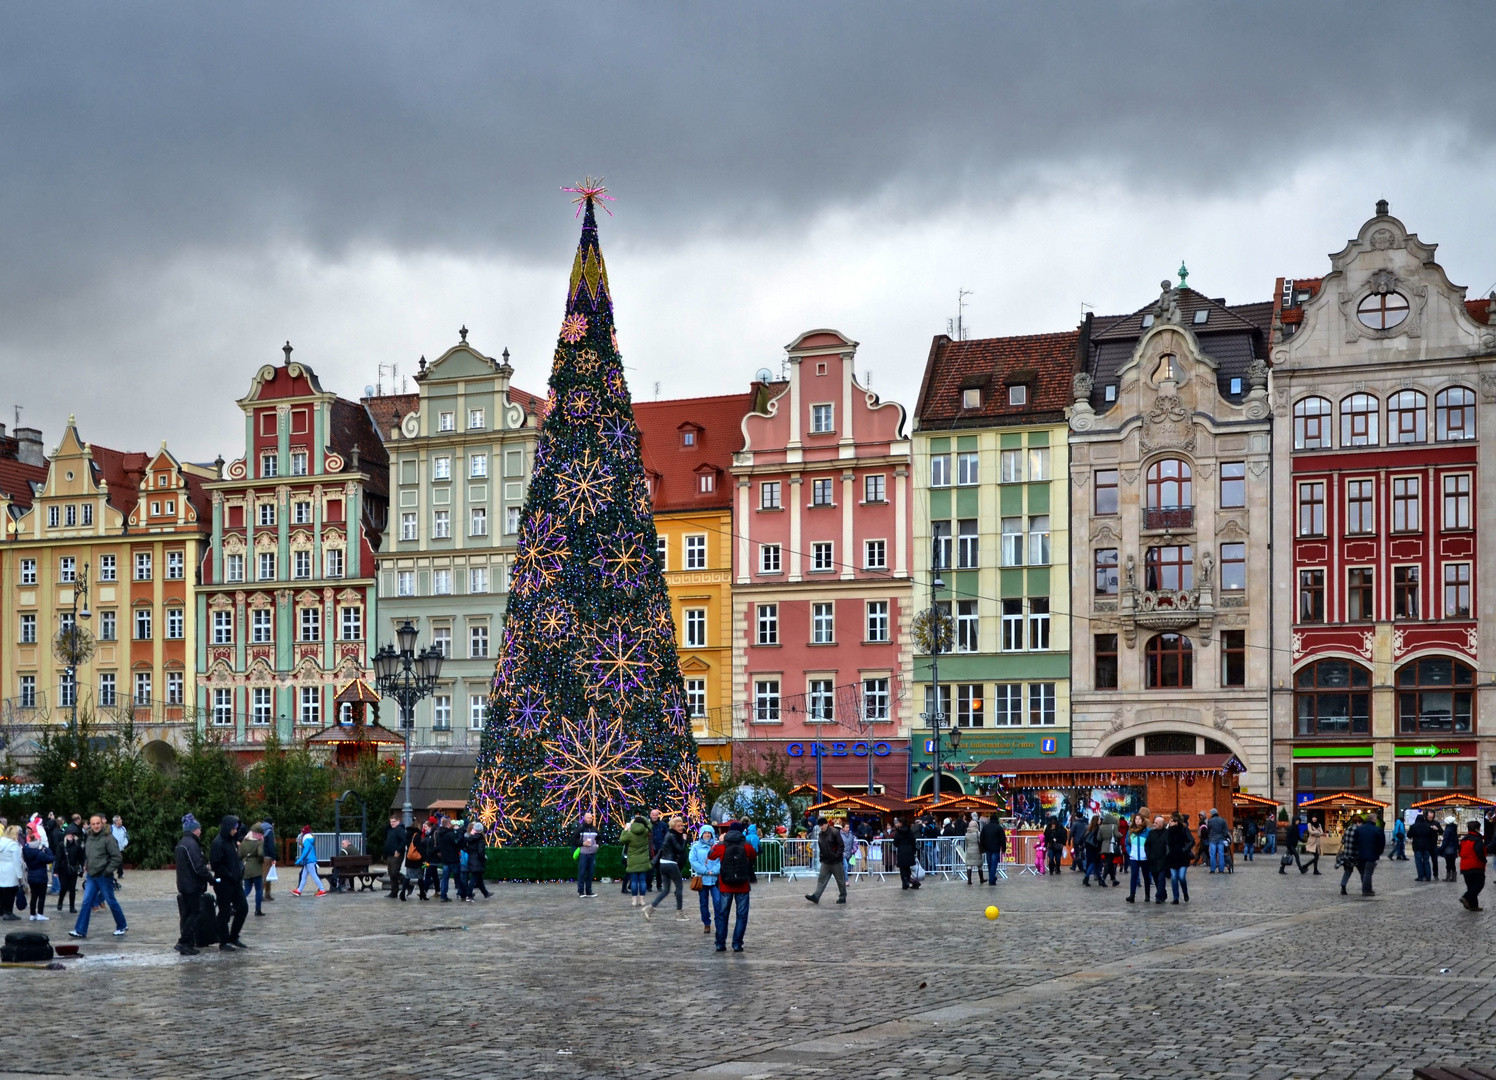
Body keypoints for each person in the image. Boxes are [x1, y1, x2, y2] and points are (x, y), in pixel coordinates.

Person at [68, 814, 126, 939]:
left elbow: (117, 857)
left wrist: (107, 871)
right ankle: (80, 930)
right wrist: (86, 865)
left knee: (111, 901)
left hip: (104, 876)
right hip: (91, 875)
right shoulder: (89, 837)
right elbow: (88, 854)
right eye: (93, 824)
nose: (95, 826)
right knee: (86, 901)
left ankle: (121, 925)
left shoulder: (108, 838)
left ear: (102, 824)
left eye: (97, 823)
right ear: (90, 824)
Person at [709, 821, 757, 952]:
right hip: (742, 885)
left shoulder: (723, 845)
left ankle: (720, 943)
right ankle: (737, 943)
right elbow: (754, 855)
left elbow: (711, 855)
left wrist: (718, 842)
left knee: (722, 914)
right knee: (742, 915)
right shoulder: (746, 845)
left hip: (726, 885)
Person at [209, 815, 249, 950]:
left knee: (243, 908)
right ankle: (224, 941)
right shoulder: (218, 843)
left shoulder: (232, 842)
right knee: (224, 912)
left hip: (235, 882)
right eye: (234, 828)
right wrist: (230, 875)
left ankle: (234, 936)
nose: (236, 830)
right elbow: (216, 865)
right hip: (224, 883)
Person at [172, 815, 211, 955]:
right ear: (194, 829)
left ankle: (186, 943)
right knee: (194, 913)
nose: (201, 830)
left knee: (187, 913)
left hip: (184, 883)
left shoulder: (182, 842)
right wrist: (209, 878)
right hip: (192, 885)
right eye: (199, 828)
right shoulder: (192, 844)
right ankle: (183, 941)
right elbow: (198, 867)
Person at [647, 816, 689, 919]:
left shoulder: (669, 834)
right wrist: (684, 840)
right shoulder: (672, 836)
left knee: (666, 890)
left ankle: (650, 908)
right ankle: (680, 913)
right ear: (673, 827)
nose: (681, 828)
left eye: (681, 826)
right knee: (679, 887)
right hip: (670, 863)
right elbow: (680, 849)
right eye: (678, 826)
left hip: (663, 863)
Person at [805, 817, 847, 905]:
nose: (821, 827)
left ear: (826, 824)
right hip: (826, 861)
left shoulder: (834, 832)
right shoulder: (821, 834)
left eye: (822, 825)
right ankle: (816, 896)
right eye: (820, 826)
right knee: (821, 879)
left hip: (835, 861)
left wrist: (836, 856)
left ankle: (842, 896)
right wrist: (821, 857)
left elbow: (841, 845)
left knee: (840, 880)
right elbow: (821, 846)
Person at [688, 824, 720, 936]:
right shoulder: (696, 847)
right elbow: (693, 860)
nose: (707, 835)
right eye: (705, 833)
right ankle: (706, 923)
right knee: (703, 903)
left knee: (718, 902)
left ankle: (719, 923)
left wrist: (715, 870)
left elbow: (720, 860)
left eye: (709, 833)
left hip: (715, 879)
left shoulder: (716, 846)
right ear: (702, 834)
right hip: (702, 878)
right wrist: (705, 871)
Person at [1345, 813, 1385, 896]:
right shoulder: (1377, 830)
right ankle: (1366, 890)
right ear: (1374, 820)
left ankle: (1367, 889)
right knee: (1368, 872)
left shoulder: (1359, 829)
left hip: (1360, 853)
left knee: (1364, 872)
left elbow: (1355, 841)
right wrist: (1379, 852)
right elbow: (1381, 843)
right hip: (1372, 854)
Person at [620, 814, 653, 906]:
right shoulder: (646, 832)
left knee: (634, 881)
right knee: (642, 881)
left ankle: (634, 900)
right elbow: (650, 825)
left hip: (632, 860)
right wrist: (644, 818)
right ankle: (642, 900)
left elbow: (622, 840)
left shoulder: (630, 834)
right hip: (644, 860)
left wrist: (625, 830)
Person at [23, 828, 52, 921]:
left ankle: (32, 914)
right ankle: (40, 913)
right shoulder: (40, 854)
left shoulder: (26, 851)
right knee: (41, 896)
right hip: (41, 876)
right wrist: (46, 849)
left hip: (31, 876)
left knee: (33, 896)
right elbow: (51, 858)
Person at [1165, 812, 1193, 904]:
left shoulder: (1184, 829)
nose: (1170, 822)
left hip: (1182, 856)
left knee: (1181, 877)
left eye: (1171, 821)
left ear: (1177, 822)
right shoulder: (1168, 831)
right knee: (1174, 878)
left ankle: (1185, 892)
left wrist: (1184, 849)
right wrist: (1167, 852)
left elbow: (1191, 841)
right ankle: (1175, 897)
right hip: (1172, 856)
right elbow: (1166, 843)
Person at [239, 823, 267, 917]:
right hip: (256, 868)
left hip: (246, 867)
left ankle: (236, 905)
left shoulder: (245, 840)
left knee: (247, 889)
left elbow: (240, 855)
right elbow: (261, 854)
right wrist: (260, 861)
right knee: (259, 890)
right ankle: (257, 909)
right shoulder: (259, 841)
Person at [55, 825, 83, 914]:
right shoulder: (61, 845)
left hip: (73, 869)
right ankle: (60, 901)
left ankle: (72, 906)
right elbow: (58, 858)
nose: (70, 836)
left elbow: (81, 858)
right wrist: (56, 870)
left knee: (72, 888)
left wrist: (82, 867)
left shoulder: (77, 846)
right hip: (63, 869)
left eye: (72, 834)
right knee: (63, 887)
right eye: (68, 834)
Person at [1459, 820, 1487, 912]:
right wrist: (1484, 860)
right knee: (1479, 884)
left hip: (1464, 865)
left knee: (1471, 886)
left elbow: (1460, 851)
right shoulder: (1477, 839)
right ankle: (1466, 897)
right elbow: (1479, 852)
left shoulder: (1464, 839)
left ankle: (1473, 905)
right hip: (1476, 865)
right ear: (1477, 829)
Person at [570, 812, 599, 898]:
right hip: (583, 853)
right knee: (582, 873)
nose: (589, 819)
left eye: (590, 818)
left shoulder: (595, 829)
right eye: (588, 818)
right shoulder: (580, 829)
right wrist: (582, 843)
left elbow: (599, 838)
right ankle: (581, 891)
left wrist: (598, 845)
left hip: (592, 853)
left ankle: (589, 891)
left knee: (590, 873)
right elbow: (573, 839)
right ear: (584, 818)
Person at [433, 816, 462, 902]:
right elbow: (456, 844)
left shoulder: (439, 834)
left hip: (445, 859)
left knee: (445, 878)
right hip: (453, 858)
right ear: (448, 824)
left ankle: (443, 895)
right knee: (458, 877)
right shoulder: (450, 834)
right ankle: (462, 892)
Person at [0, 824, 25, 921]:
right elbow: (17, 861)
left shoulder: (1, 842)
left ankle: (2, 909)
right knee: (10, 892)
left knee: (2, 891)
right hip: (11, 870)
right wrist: (20, 875)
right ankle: (8, 912)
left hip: (1, 867)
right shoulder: (14, 845)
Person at [292, 825, 326, 897]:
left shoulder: (306, 840)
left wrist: (300, 859)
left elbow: (306, 851)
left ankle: (322, 890)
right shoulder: (309, 839)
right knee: (304, 876)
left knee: (313, 876)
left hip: (309, 861)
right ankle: (299, 890)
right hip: (309, 861)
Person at [463, 822, 491, 901]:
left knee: (479, 878)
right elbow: (480, 852)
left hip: (471, 859)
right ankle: (468, 894)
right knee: (474, 878)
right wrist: (484, 859)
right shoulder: (480, 839)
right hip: (477, 860)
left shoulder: (470, 838)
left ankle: (485, 893)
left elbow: (465, 848)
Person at [1125, 814, 1150, 903]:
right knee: (1134, 876)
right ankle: (1132, 895)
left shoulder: (1147, 831)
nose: (1137, 820)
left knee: (1146, 877)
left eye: (1139, 819)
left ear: (1143, 820)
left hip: (1145, 858)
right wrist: (1130, 852)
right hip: (1134, 857)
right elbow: (1127, 843)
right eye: (1136, 819)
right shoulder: (1131, 831)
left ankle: (1147, 895)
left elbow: (1150, 844)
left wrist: (1148, 854)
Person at [383, 813, 407, 900]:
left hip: (396, 854)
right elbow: (385, 830)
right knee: (391, 874)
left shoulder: (400, 829)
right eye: (390, 822)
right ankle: (394, 892)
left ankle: (407, 884)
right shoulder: (391, 830)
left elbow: (404, 840)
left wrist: (399, 850)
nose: (392, 823)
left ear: (398, 821)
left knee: (394, 872)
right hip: (389, 854)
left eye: (393, 822)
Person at [403, 820, 429, 900]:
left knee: (408, 877)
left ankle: (402, 893)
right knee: (420, 877)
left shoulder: (407, 835)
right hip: (417, 860)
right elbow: (419, 848)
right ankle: (422, 894)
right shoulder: (417, 835)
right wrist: (425, 857)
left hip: (409, 859)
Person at [891, 816, 919, 890]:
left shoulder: (898, 832)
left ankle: (905, 882)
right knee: (908, 867)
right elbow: (913, 840)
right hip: (909, 851)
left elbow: (895, 842)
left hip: (902, 851)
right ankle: (909, 880)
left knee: (902, 868)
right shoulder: (910, 831)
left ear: (901, 823)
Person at [979, 813, 1007, 887]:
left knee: (990, 864)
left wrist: (983, 846)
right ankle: (992, 879)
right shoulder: (999, 828)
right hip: (996, 848)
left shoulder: (985, 827)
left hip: (988, 848)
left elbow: (981, 838)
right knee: (994, 864)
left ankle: (992, 877)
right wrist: (1003, 848)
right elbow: (1003, 839)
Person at [1410, 813, 1436, 881]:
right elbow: (1431, 835)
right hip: (1426, 846)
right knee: (1426, 861)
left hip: (1417, 846)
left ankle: (1420, 876)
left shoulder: (1413, 826)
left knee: (1418, 861)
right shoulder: (1427, 826)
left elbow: (1409, 835)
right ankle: (1428, 876)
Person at [648, 809, 668, 893]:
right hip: (650, 849)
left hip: (660, 850)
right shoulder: (647, 825)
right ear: (650, 815)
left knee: (660, 869)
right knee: (649, 869)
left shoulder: (663, 824)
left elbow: (667, 835)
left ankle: (659, 885)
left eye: (656, 815)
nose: (655, 817)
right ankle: (648, 886)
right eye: (653, 815)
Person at [1205, 808, 1230, 874]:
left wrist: (1210, 835)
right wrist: (1223, 835)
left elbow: (1208, 830)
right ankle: (1221, 870)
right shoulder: (1222, 820)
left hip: (1212, 839)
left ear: (1211, 814)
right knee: (1221, 854)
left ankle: (1212, 869)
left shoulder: (1210, 821)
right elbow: (1226, 830)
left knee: (1212, 854)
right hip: (1220, 839)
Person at [1082, 816, 1103, 886]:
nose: (1100, 820)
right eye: (1099, 819)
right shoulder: (1098, 829)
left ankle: (1100, 879)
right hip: (1095, 848)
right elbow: (1099, 839)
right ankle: (1086, 878)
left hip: (1089, 847)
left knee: (1095, 864)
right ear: (1097, 821)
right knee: (1094, 863)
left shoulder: (1089, 828)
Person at [259, 819, 277, 902]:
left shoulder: (260, 830)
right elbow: (271, 845)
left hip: (261, 855)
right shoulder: (269, 831)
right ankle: (261, 894)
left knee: (267, 875)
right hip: (268, 856)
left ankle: (267, 894)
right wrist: (273, 857)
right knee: (266, 876)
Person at [1441, 816, 1460, 883]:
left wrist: (1441, 848)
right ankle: (1454, 877)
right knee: (1453, 863)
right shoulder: (1454, 829)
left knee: (1448, 863)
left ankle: (1448, 877)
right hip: (1453, 848)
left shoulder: (1448, 830)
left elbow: (1445, 840)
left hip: (1448, 848)